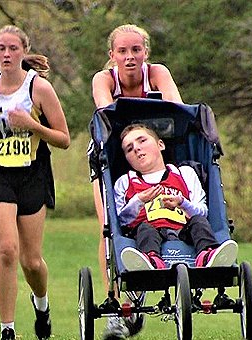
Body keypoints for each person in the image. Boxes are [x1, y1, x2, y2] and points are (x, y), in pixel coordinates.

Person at [90, 24, 184, 339]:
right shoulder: (104, 79)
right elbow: (108, 113)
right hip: (110, 155)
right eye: (123, 51)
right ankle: (116, 306)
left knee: (159, 214)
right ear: (112, 55)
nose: (130, 58)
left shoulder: (157, 73)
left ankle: (152, 275)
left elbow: (175, 106)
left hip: (150, 152)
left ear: (145, 53)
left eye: (136, 50)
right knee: (109, 230)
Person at [0, 25, 70, 340]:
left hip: (31, 174)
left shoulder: (38, 89)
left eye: (12, 48)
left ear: (23, 51)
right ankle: (7, 330)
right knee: (6, 250)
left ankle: (41, 304)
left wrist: (32, 125)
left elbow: (64, 139)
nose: (6, 54)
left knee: (31, 261)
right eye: (1, 48)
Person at [115, 123, 238, 271]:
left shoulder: (185, 173)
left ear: (160, 145)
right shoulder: (125, 182)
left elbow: (202, 212)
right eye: (129, 149)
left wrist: (182, 203)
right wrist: (139, 200)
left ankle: (207, 255)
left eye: (142, 141)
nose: (136, 148)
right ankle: (151, 260)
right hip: (148, 231)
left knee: (199, 222)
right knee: (145, 230)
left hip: (184, 229)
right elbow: (121, 222)